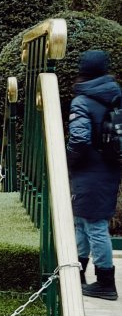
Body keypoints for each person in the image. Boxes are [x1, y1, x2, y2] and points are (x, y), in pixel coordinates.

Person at [66, 48, 122, 302]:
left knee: (95, 225)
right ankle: (76, 272)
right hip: (109, 168)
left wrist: (68, 161)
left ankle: (105, 281)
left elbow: (79, 138)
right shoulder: (115, 95)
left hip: (89, 170)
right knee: (82, 221)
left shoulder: (82, 100)